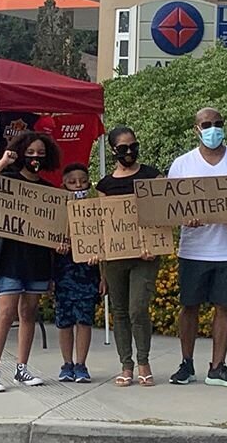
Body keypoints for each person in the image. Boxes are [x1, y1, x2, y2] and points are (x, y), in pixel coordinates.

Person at [168, 107, 227, 389]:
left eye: (218, 123)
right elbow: (170, 209)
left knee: (224, 307)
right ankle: (186, 364)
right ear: (196, 129)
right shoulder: (182, 165)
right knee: (189, 306)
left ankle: (217, 367)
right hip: (193, 249)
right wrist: (185, 219)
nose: (213, 129)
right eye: (207, 124)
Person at [0, 131, 61, 393]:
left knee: (28, 313)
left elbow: (56, 226)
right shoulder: (6, 182)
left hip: (36, 260)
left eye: (41, 154)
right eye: (31, 152)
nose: (35, 158)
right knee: (6, 312)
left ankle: (22, 368)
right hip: (10, 258)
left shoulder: (49, 190)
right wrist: (2, 163)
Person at [96, 126, 161, 387]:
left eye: (133, 146)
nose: (129, 152)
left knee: (137, 308)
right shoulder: (105, 185)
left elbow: (164, 214)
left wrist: (155, 244)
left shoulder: (152, 176)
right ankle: (126, 365)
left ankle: (143, 361)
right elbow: (100, 227)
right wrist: (100, 269)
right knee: (120, 311)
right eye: (123, 148)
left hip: (145, 255)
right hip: (115, 258)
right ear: (113, 150)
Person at [54, 163, 106, 383]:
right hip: (62, 270)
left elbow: (105, 241)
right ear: (64, 184)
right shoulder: (55, 209)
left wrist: (103, 274)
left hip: (88, 271)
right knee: (64, 320)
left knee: (84, 319)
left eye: (83, 181)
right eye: (73, 182)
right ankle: (67, 364)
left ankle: (81, 364)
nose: (78, 186)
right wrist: (57, 246)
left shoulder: (97, 209)